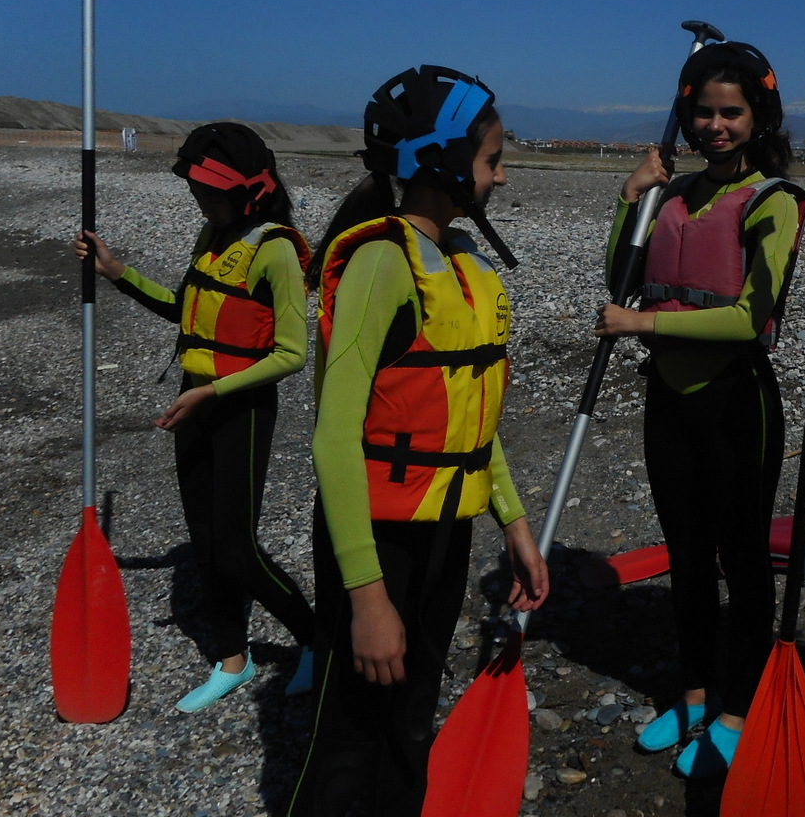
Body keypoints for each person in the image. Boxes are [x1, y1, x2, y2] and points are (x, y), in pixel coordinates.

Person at [285, 65, 547, 815]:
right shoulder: (382, 264)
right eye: (492, 160)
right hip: (377, 538)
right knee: (349, 732)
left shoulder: (462, 263)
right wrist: (368, 598)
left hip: (443, 531)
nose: (502, 176)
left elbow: (469, 420)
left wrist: (515, 525)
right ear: (444, 162)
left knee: (410, 718)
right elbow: (334, 438)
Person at [594, 42, 805, 779]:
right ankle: (692, 693)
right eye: (704, 113)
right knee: (685, 556)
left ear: (757, 118)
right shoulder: (673, 194)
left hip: (736, 402)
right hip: (669, 401)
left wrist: (643, 325)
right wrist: (630, 201)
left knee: (741, 560)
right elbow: (621, 279)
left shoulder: (776, 200)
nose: (715, 126)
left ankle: (739, 705)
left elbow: (751, 318)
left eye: (731, 113)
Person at [74, 122, 317, 712]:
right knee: (205, 541)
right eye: (197, 192)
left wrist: (212, 392)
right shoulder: (213, 235)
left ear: (250, 191)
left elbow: (292, 353)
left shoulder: (276, 250)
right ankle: (233, 659)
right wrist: (116, 272)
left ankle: (318, 638)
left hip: (240, 408)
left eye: (210, 193)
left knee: (237, 547)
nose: (201, 202)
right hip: (196, 400)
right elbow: (184, 310)